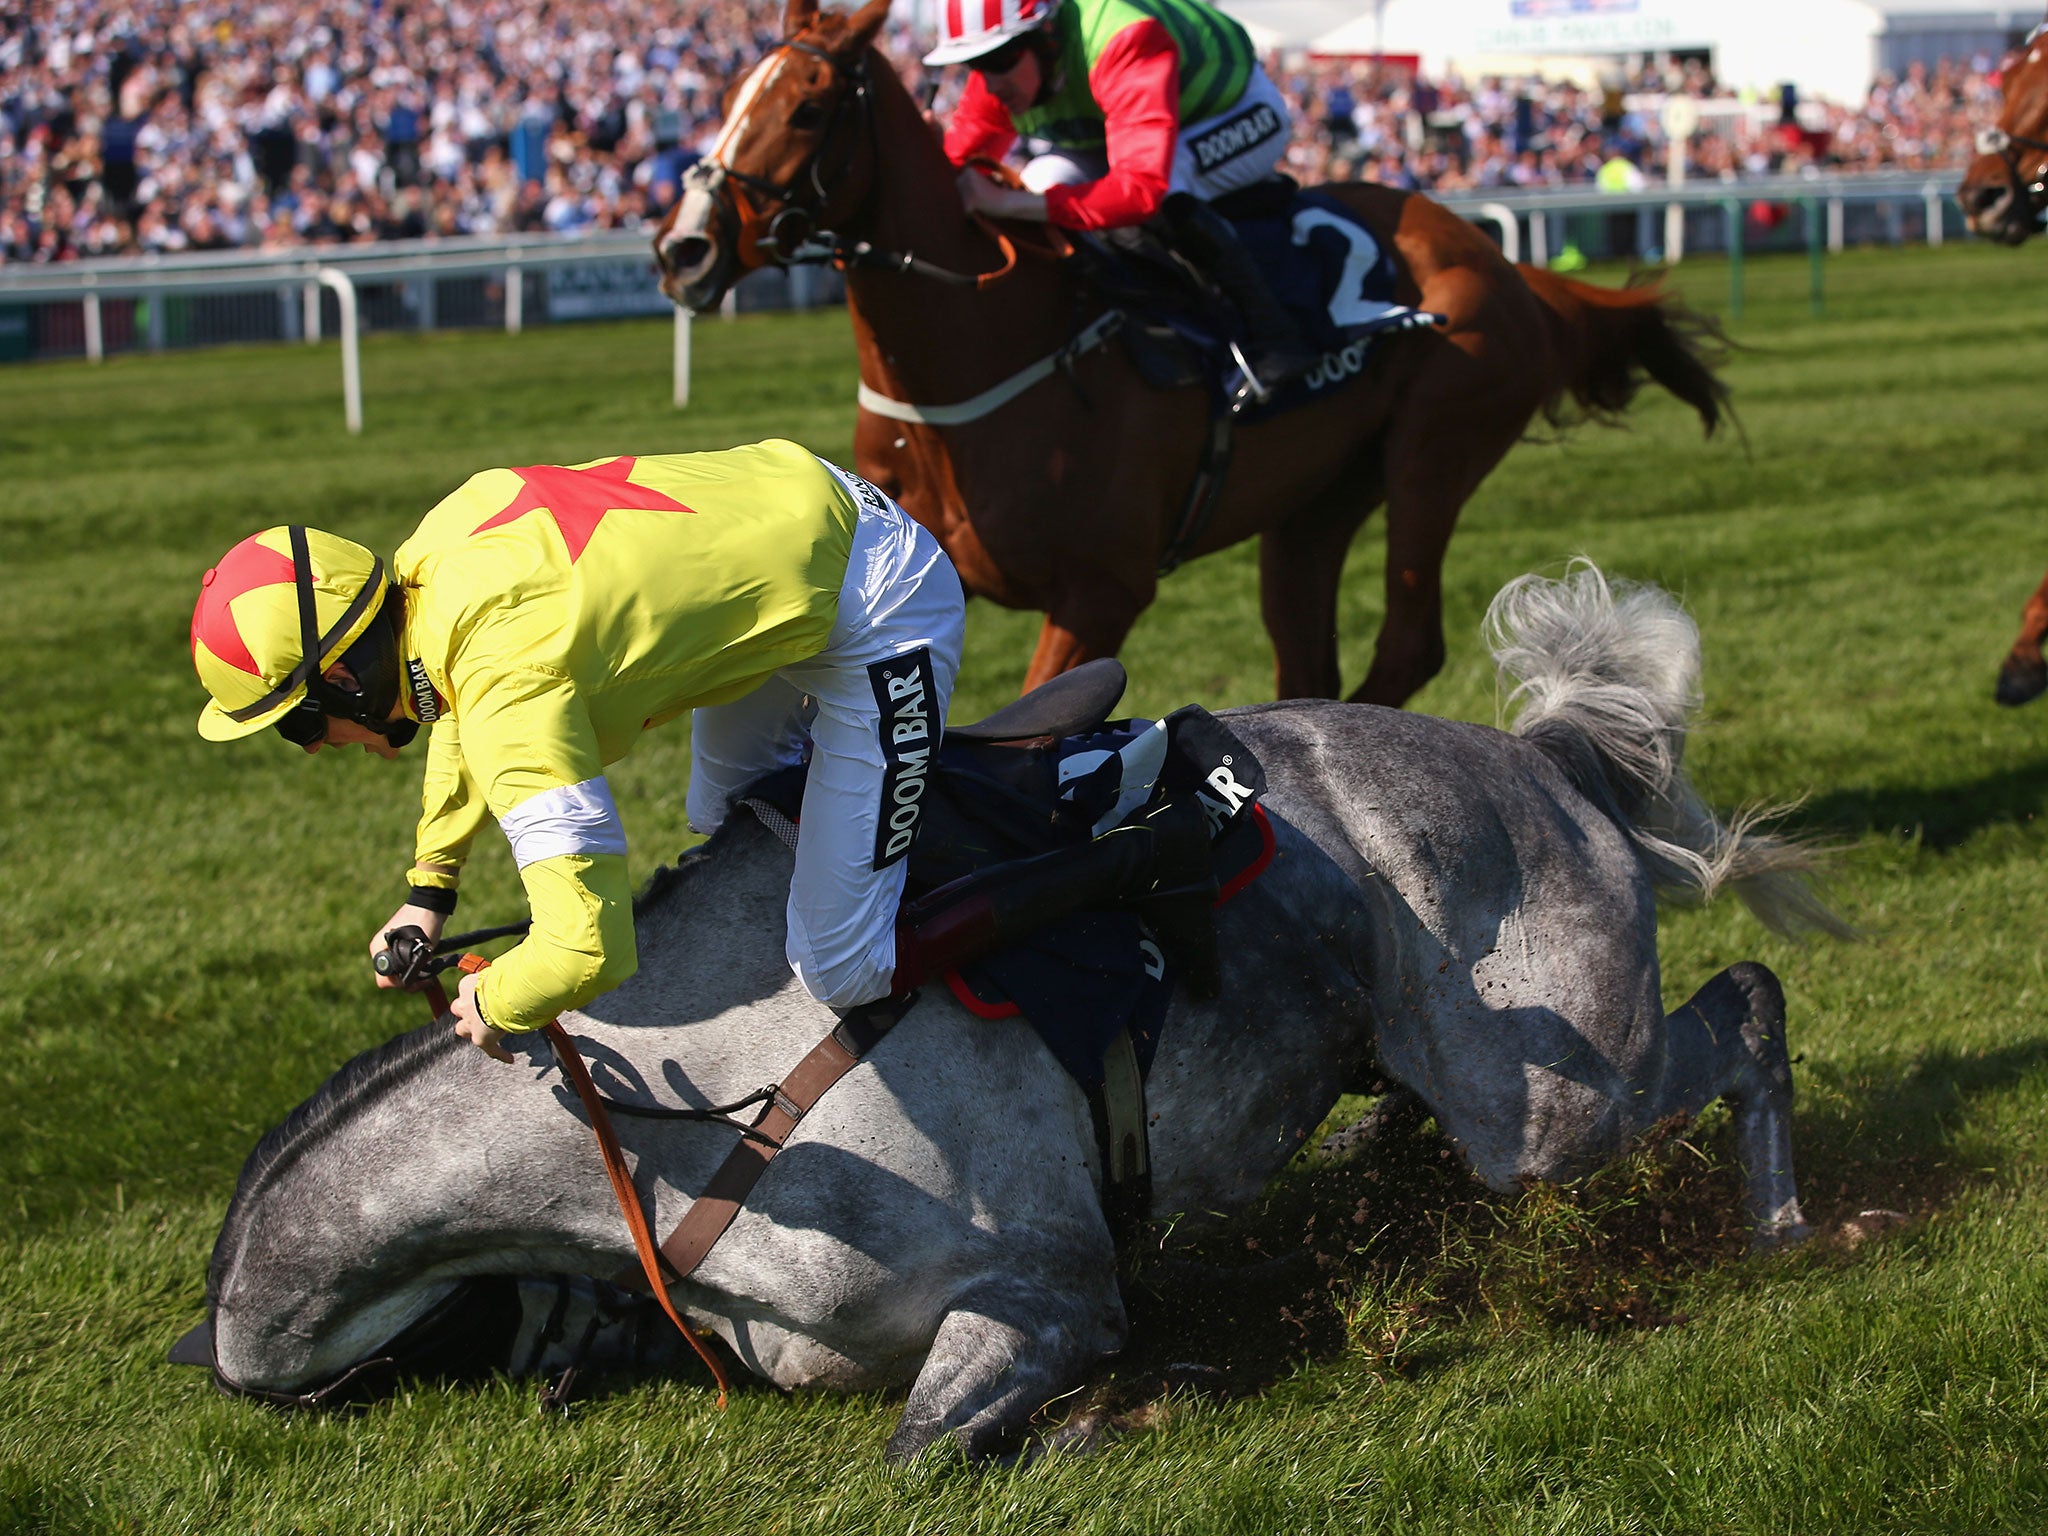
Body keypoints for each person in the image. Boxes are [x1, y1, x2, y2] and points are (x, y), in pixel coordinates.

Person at [190, 440, 1207, 1059]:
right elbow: (455, 697)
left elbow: (588, 947)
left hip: (880, 598)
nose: (313, 751)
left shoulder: (510, 695)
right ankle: (914, 830)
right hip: (794, 545)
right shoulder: (429, 564)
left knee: (842, 961)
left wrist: (496, 1001)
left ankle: (1121, 842)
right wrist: (431, 886)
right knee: (730, 839)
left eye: (295, 724)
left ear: (338, 679)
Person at [927, 0, 1317, 396]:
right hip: (1128, 125)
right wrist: (921, 148)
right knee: (1039, 181)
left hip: (1236, 111)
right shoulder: (1003, 72)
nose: (990, 82)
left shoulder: (1122, 38)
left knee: (1167, 188)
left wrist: (1009, 203)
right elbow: (956, 166)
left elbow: (1140, 191)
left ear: (1045, 36)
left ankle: (1277, 340)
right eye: (976, 64)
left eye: (999, 59)